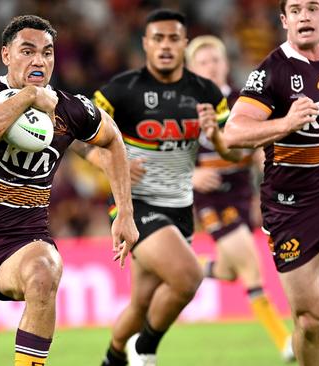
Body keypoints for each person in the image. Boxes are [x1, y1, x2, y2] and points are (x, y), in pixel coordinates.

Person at [0, 15, 138, 366]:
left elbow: (113, 140)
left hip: (24, 237)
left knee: (44, 271)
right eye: (28, 51)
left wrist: (124, 213)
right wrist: (28, 98)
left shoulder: (70, 108)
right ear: (6, 54)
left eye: (48, 53)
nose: (39, 60)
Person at [90, 9, 237, 366]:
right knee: (188, 276)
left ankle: (112, 359)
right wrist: (113, 163)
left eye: (174, 39)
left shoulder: (206, 91)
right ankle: (145, 351)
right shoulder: (120, 90)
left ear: (184, 44)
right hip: (135, 205)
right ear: (145, 44)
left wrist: (215, 133)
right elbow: (82, 139)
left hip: (180, 208)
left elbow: (231, 152)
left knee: (142, 303)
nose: (166, 46)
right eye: (158, 38)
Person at [223, 1, 319, 365]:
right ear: (285, 20)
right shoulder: (271, 72)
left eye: (313, 7)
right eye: (296, 9)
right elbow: (234, 132)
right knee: (309, 318)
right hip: (291, 207)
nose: (305, 16)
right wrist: (285, 124)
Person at [185, 35, 294, 361]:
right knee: (251, 269)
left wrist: (270, 179)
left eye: (215, 60)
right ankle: (285, 342)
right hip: (210, 199)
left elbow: (261, 145)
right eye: (203, 62)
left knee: (232, 271)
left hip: (241, 193)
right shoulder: (183, 109)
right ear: (191, 70)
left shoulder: (243, 103)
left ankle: (190, 268)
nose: (211, 66)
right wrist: (191, 176)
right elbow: (164, 158)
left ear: (226, 64)